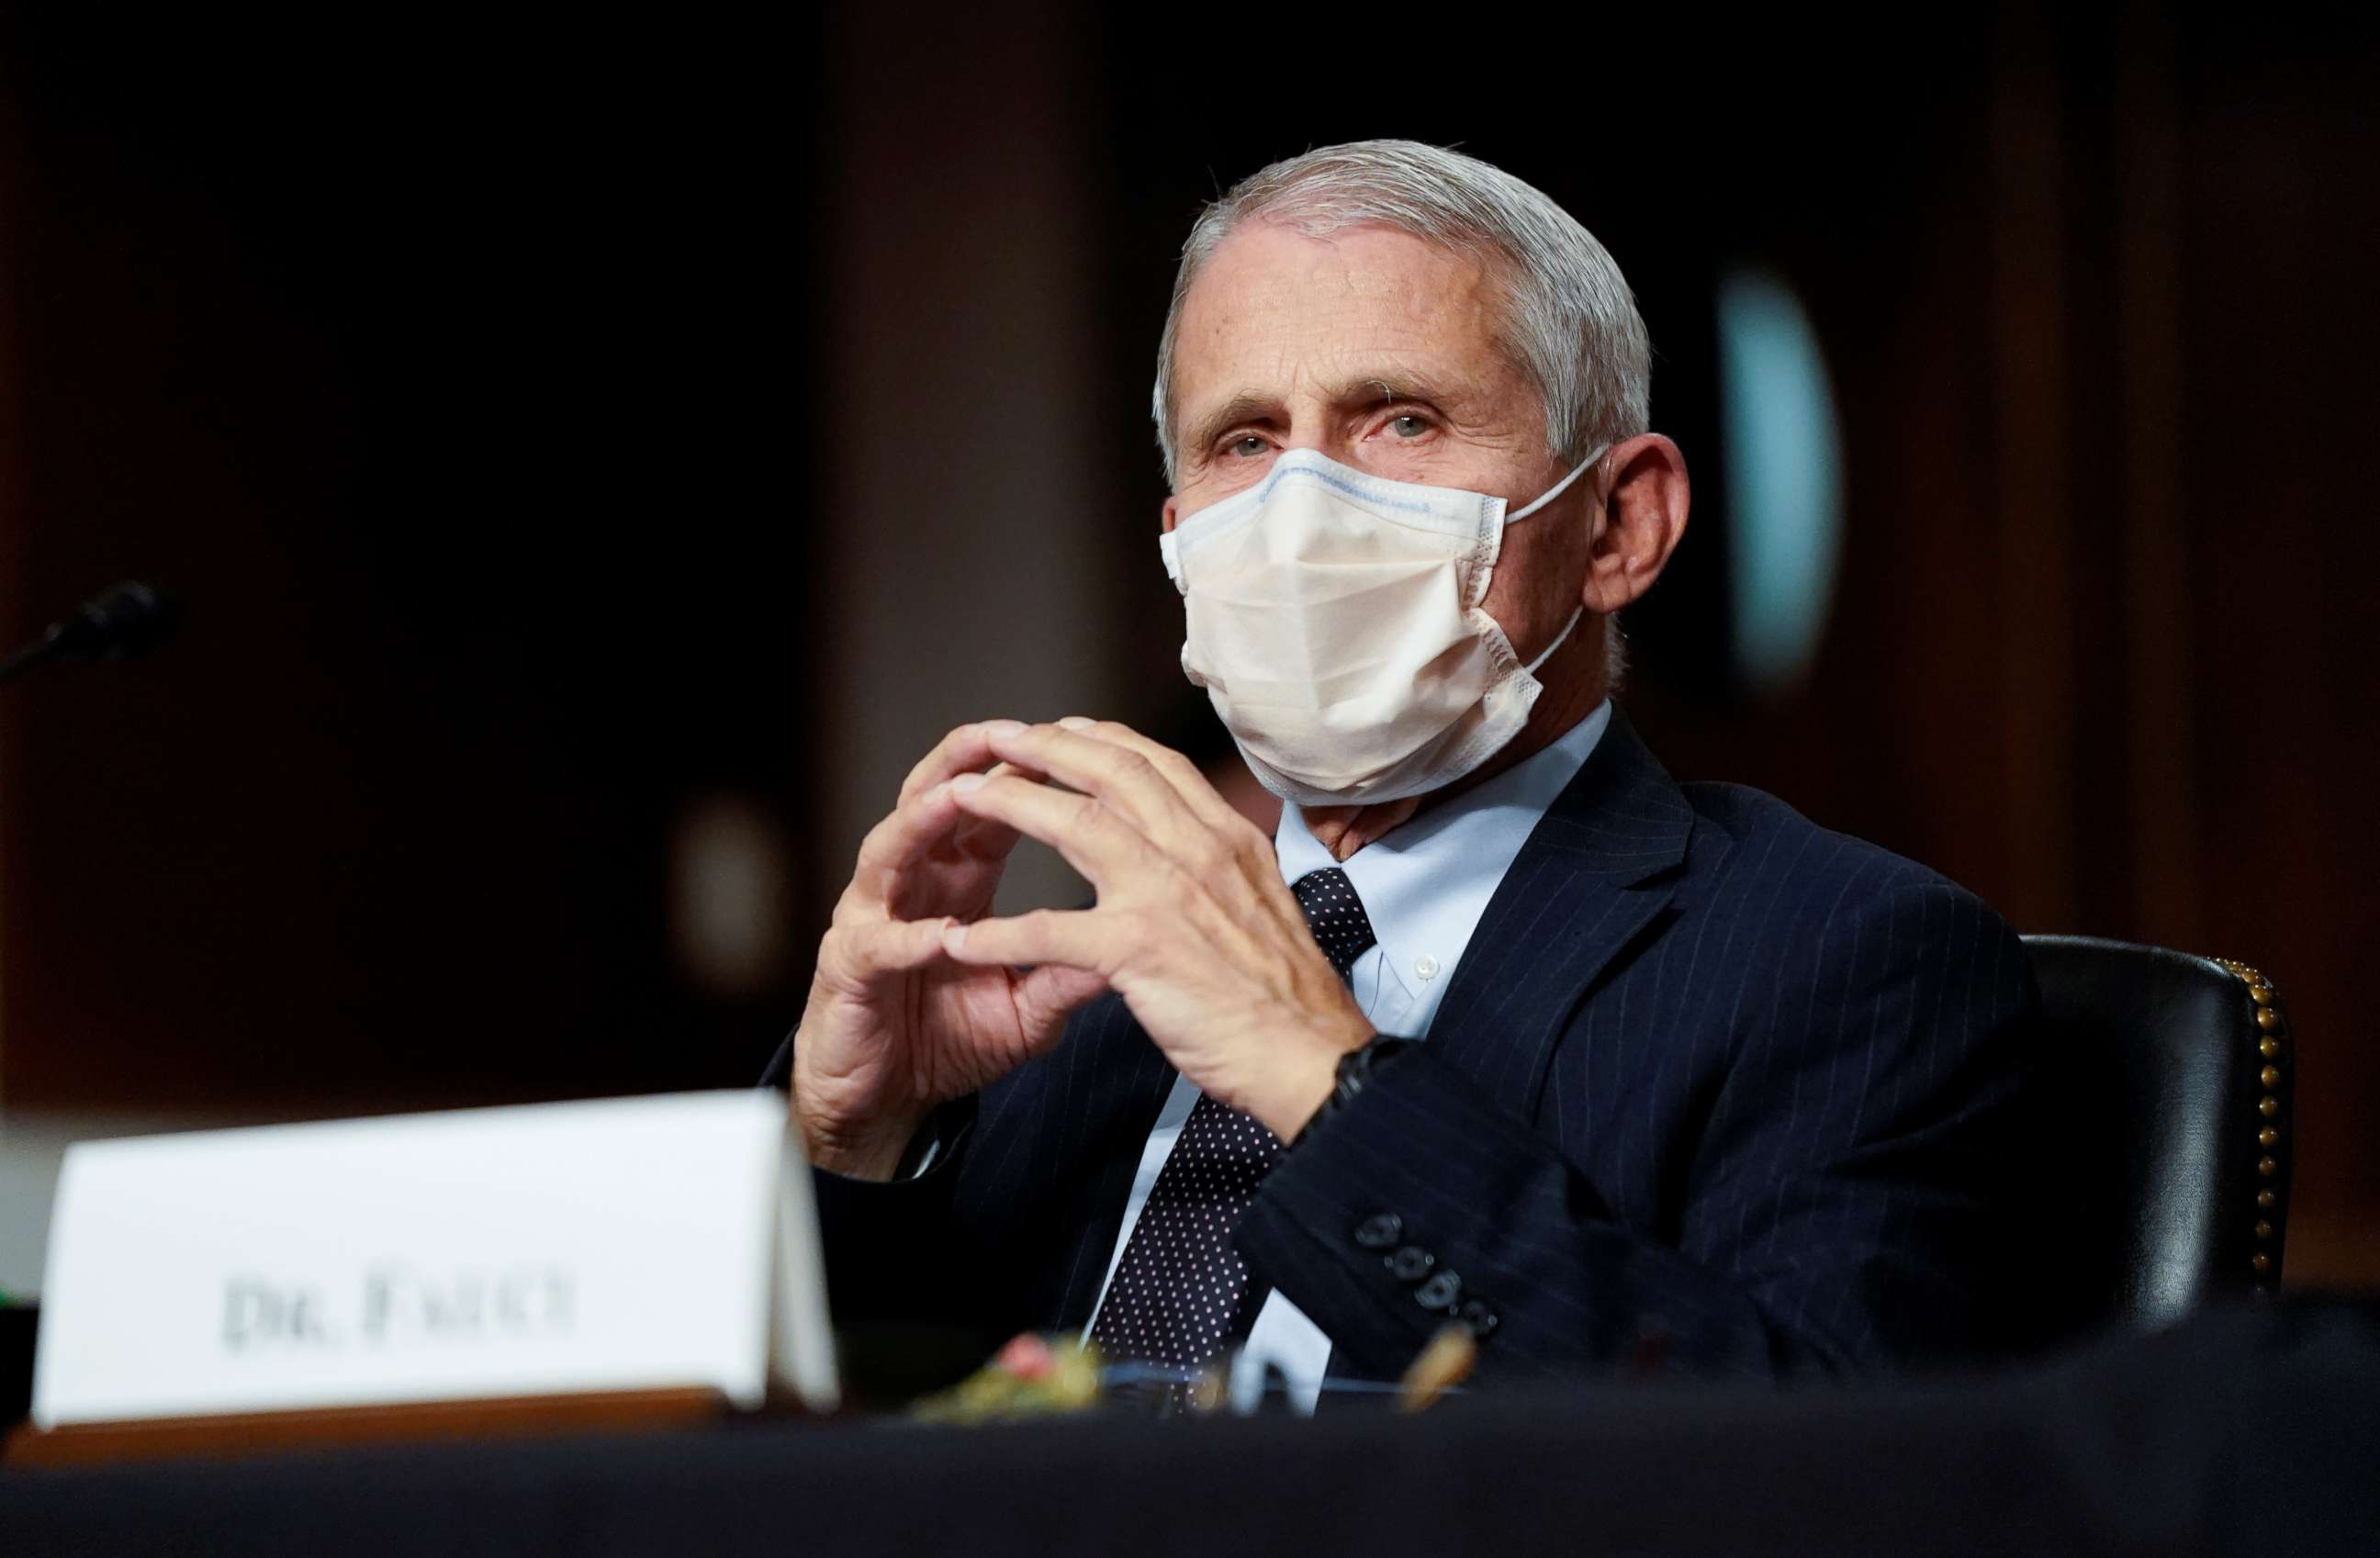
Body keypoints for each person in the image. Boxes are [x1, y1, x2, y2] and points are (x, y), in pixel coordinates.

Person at [768, 140, 2055, 1408]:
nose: (1304, 505)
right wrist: (849, 1140)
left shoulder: (1847, 963)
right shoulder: (1066, 997)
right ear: (1180, 544)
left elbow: (1819, 1479)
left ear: (1620, 524)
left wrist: (1323, 1080)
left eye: (1402, 419)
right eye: (1245, 439)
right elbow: (808, 1463)